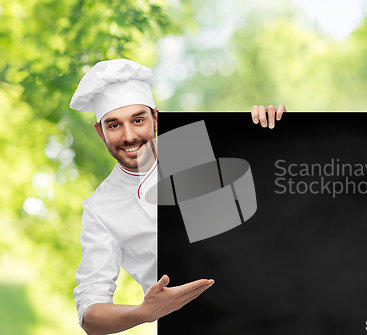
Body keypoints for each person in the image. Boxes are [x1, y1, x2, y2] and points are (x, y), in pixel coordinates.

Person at [70, 58, 286, 335]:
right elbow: (90, 313)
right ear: (100, 132)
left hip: (275, 310)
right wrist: (144, 312)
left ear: (156, 118)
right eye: (114, 125)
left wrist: (272, 128)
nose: (129, 136)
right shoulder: (101, 208)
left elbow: (278, 192)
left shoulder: (196, 147)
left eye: (138, 120)